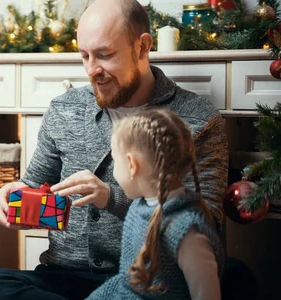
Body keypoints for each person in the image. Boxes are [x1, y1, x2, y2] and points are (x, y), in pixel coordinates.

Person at [0, 0, 229, 300]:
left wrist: (112, 197)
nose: (92, 69)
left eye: (104, 55)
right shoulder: (64, 109)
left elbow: (204, 224)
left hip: (148, 283)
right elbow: (36, 184)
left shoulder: (197, 119)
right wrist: (13, 199)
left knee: (237, 278)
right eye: (84, 56)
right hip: (63, 277)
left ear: (143, 46)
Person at [87, 109, 224, 300]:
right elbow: (126, 282)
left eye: (114, 161)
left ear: (131, 165)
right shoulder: (139, 206)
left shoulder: (187, 230)